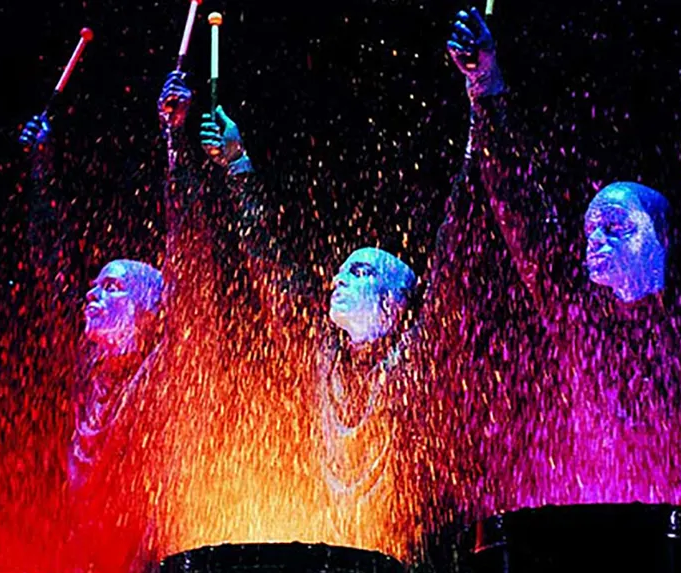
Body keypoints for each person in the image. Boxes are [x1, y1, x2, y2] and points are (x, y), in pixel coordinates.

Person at [447, 1, 681, 510]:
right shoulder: (577, 315)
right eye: (590, 229)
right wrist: (484, 85)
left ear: (662, 237)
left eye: (615, 226)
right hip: (599, 526)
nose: (595, 239)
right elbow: (519, 209)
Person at [195, 91, 498, 561]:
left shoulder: (424, 352)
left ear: (396, 304)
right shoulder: (324, 354)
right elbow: (271, 264)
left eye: (359, 272)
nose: (338, 277)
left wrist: (481, 117)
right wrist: (237, 166)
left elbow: (455, 239)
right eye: (340, 269)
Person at [12, 70, 204, 572]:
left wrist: (174, 139)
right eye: (96, 285)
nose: (91, 294)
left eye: (112, 287)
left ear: (150, 312)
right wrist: (39, 169)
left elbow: (187, 246)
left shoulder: (165, 371)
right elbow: (50, 261)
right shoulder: (86, 368)